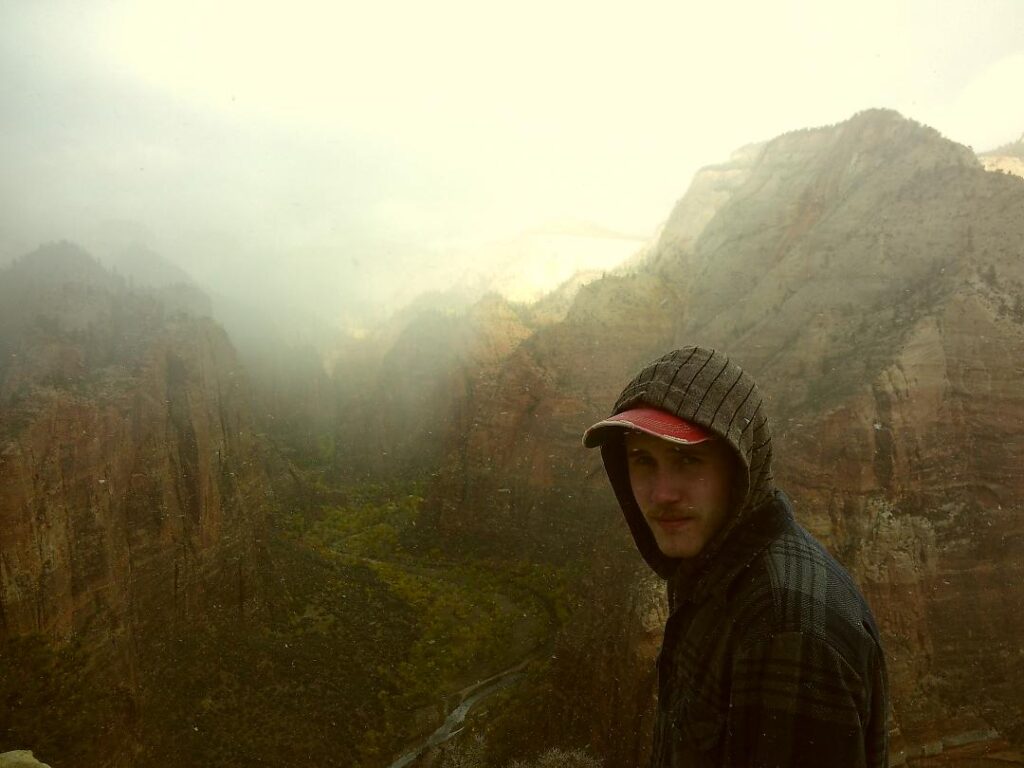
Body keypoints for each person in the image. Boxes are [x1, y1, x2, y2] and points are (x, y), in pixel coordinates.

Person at [582, 346, 889, 768]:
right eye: (643, 460)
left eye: (688, 460)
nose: (661, 493)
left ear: (741, 468)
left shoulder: (786, 628)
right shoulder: (714, 577)